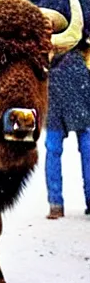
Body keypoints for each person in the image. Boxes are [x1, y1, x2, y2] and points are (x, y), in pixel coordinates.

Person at [44, 35, 90, 219]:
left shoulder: (41, 6)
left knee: (54, 148)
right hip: (77, 73)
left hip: (55, 72)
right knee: (86, 146)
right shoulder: (85, 6)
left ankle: (56, 204)